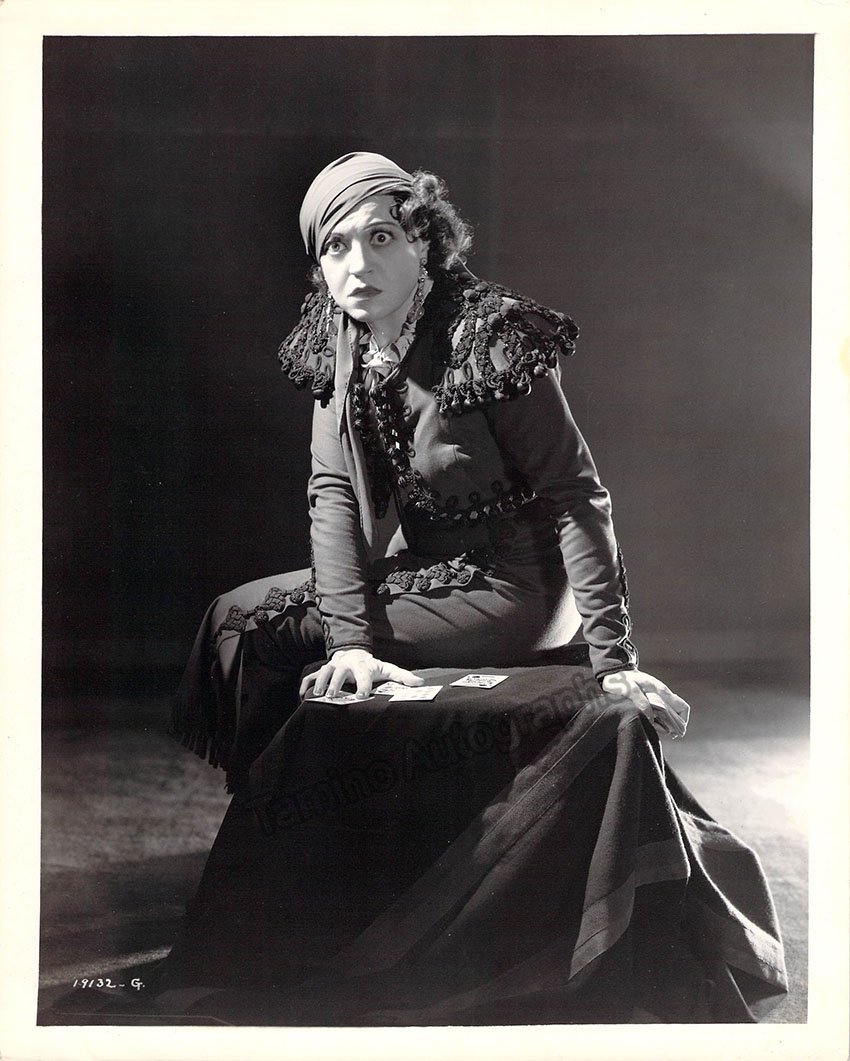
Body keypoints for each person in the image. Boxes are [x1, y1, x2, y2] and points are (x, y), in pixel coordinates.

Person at [159, 152, 787, 1025]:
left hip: (518, 588)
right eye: (336, 247)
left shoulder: (490, 334)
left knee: (272, 630)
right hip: (426, 570)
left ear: (425, 241)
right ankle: (299, 870)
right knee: (235, 619)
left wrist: (614, 660)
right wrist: (350, 643)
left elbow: (577, 496)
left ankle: (319, 896)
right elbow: (332, 493)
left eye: (382, 237)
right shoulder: (340, 337)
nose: (358, 264)